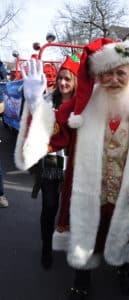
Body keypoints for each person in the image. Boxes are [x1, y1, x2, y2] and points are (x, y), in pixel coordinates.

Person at [15, 38, 129, 299]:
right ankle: (82, 279)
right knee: (85, 241)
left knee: (124, 237)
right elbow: (54, 131)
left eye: (120, 73)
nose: (113, 79)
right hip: (88, 194)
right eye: (107, 73)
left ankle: (125, 270)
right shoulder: (83, 106)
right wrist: (35, 105)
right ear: (98, 76)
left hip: (128, 195)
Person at [26, 54, 80, 270]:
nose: (63, 83)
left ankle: (70, 245)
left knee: (73, 209)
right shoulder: (49, 100)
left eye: (68, 79)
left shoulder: (82, 103)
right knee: (49, 206)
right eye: (60, 78)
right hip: (52, 161)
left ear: (75, 81)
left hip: (76, 163)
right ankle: (46, 246)